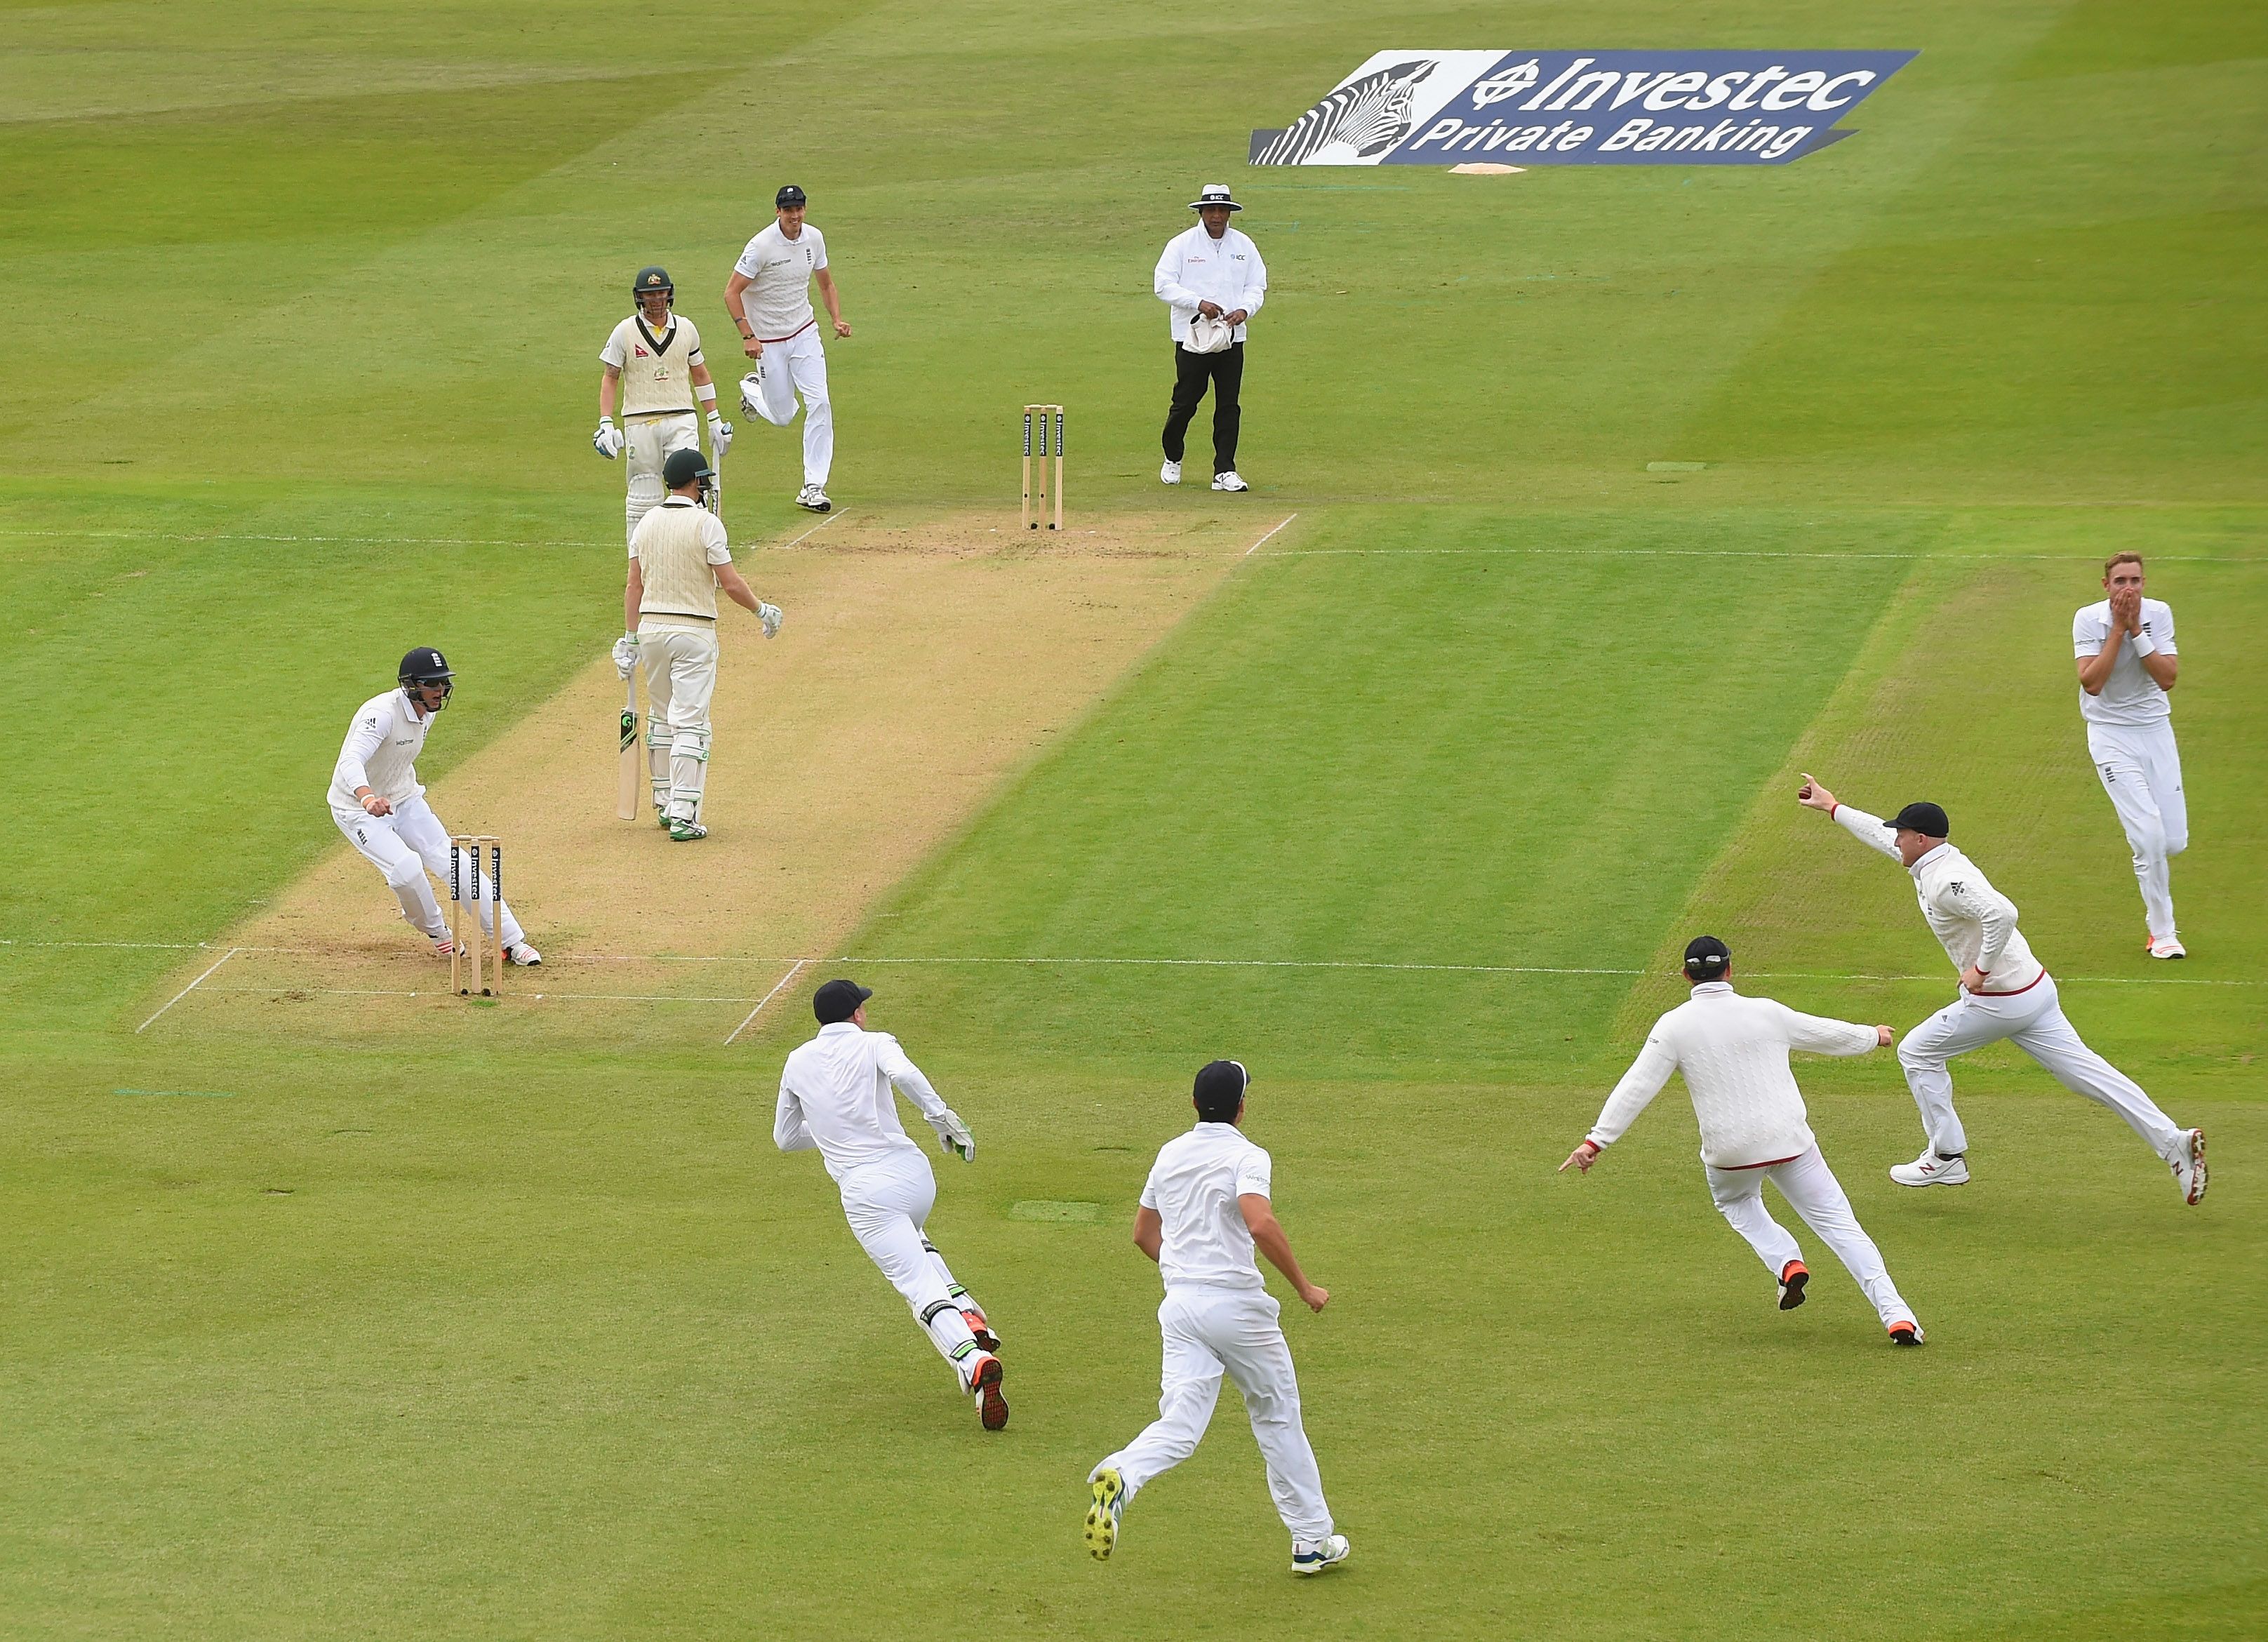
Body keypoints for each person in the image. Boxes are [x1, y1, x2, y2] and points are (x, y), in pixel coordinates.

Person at [1798, 777, 2207, 1203]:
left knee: (1917, 1052)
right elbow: (1881, 837)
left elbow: (2002, 913)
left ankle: (1947, 1156)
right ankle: (2172, 1142)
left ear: (1920, 839)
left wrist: (1980, 969)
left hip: (2000, 1002)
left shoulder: (1945, 880)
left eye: (1902, 833)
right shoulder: (1931, 858)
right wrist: (1833, 807)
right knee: (2090, 1077)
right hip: (2035, 990)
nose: (1895, 840)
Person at [1561, 937, 1923, 1345]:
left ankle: (1786, 1261)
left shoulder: (1673, 1026)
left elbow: (1637, 1086)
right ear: (1730, 970)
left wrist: (1595, 1142)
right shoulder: (1767, 1012)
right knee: (1842, 1227)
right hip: (1790, 1142)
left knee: (1735, 1202)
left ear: (1686, 976)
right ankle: (1898, 1316)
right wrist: (1873, 1036)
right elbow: (1825, 1033)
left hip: (1730, 1153)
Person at [1086, 1060, 1348, 1577]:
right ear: (1242, 1108)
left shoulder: (1169, 1154)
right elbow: (1260, 1222)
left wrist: (1186, 1273)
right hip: (1239, 1310)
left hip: (1181, 1308)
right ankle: (1311, 1540)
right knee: (1277, 1416)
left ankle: (1122, 1472)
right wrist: (1304, 1287)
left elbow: (1143, 1234)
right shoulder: (1248, 1156)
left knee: (1180, 1422)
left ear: (1193, 1104)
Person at [775, 980, 1006, 1429]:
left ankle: (972, 1360)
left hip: (866, 1193)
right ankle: (968, 1315)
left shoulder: (796, 1061)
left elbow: (785, 1139)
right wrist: (942, 1119)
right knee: (915, 1241)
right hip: (915, 1177)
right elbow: (905, 1076)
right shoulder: (876, 1043)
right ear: (857, 1014)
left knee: (916, 1283)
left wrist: (831, 1135)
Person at [328, 646, 540, 967]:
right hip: (357, 809)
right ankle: (437, 931)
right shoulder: (381, 714)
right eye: (432, 684)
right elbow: (350, 760)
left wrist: (391, 794)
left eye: (443, 683)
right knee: (406, 870)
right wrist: (368, 798)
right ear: (411, 686)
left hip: (405, 798)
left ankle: (511, 942)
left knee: (456, 862)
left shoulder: (429, 711)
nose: (440, 690)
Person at [613, 448, 782, 841]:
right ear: (694, 481)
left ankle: (665, 801)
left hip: (652, 631)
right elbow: (730, 583)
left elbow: (634, 585)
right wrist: (762, 611)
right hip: (693, 631)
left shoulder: (646, 523)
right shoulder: (707, 524)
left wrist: (630, 638)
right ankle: (684, 815)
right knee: (690, 721)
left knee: (661, 717)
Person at [2074, 552, 2187, 958]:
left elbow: (2167, 678)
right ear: (2106, 586)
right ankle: (2163, 933)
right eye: (2120, 581)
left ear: (2144, 584)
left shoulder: (2159, 614)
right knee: (2150, 840)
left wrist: (2136, 629)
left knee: (2173, 842)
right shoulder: (2088, 619)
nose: (2128, 589)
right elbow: (2092, 683)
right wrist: (2118, 630)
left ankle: (2144, 835)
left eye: (2135, 581)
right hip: (2110, 736)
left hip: (2156, 732)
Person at [724, 185, 850, 514]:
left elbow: (826, 283)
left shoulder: (814, 238)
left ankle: (813, 486)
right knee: (782, 417)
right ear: (778, 212)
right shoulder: (761, 246)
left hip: (805, 332)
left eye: (799, 209)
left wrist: (836, 319)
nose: (795, 216)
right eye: (789, 210)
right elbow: (731, 293)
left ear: (805, 209)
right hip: (767, 342)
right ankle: (753, 389)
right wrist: (748, 336)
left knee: (820, 402)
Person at [594, 267, 731, 546]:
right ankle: (640, 563)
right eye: (650, 295)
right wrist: (606, 422)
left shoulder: (687, 329)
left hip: (681, 418)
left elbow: (700, 374)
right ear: (639, 297)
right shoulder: (624, 331)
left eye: (660, 293)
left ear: (669, 294)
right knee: (643, 494)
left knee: (692, 489)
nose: (656, 300)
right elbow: (610, 377)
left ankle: (693, 555)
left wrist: (714, 418)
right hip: (640, 421)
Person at [1152, 183, 1268, 493]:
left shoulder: (1244, 245)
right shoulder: (1181, 245)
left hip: (1231, 337)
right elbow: (1162, 285)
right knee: (1185, 403)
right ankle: (1173, 456)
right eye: (1211, 210)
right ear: (1201, 212)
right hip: (1192, 337)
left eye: (1222, 210)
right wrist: (1198, 303)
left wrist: (1245, 310)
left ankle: (1224, 471)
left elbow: (1257, 286)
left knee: (1228, 405)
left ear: (1229, 213)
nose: (1217, 216)